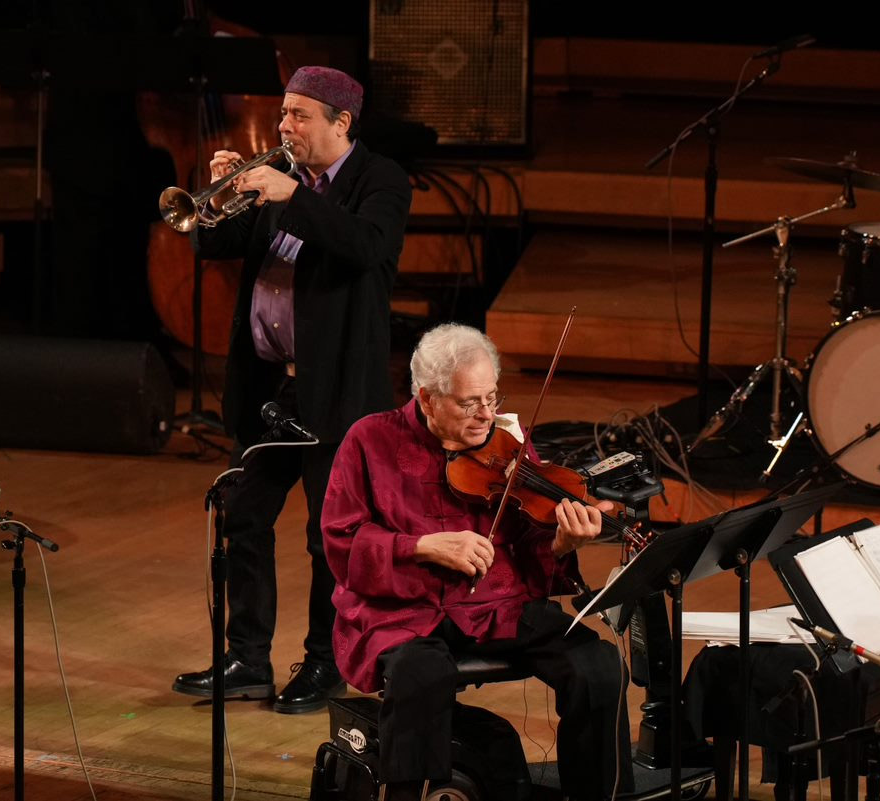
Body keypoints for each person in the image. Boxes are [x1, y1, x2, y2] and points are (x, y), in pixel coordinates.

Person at [171, 66, 412, 714]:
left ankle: (325, 662)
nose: (284, 126)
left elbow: (364, 248)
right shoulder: (282, 182)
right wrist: (221, 196)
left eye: (300, 115)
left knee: (324, 538)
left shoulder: (380, 181)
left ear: (342, 123)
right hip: (270, 389)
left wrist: (289, 197)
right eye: (283, 113)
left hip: (335, 393)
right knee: (243, 517)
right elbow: (210, 246)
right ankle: (248, 658)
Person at [322, 324, 634, 801]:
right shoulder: (369, 440)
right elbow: (342, 541)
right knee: (419, 674)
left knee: (598, 664)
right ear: (427, 399)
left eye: (492, 396)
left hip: (497, 605)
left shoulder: (507, 442)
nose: (487, 414)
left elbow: (530, 539)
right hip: (405, 610)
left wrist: (561, 545)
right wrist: (422, 547)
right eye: (470, 403)